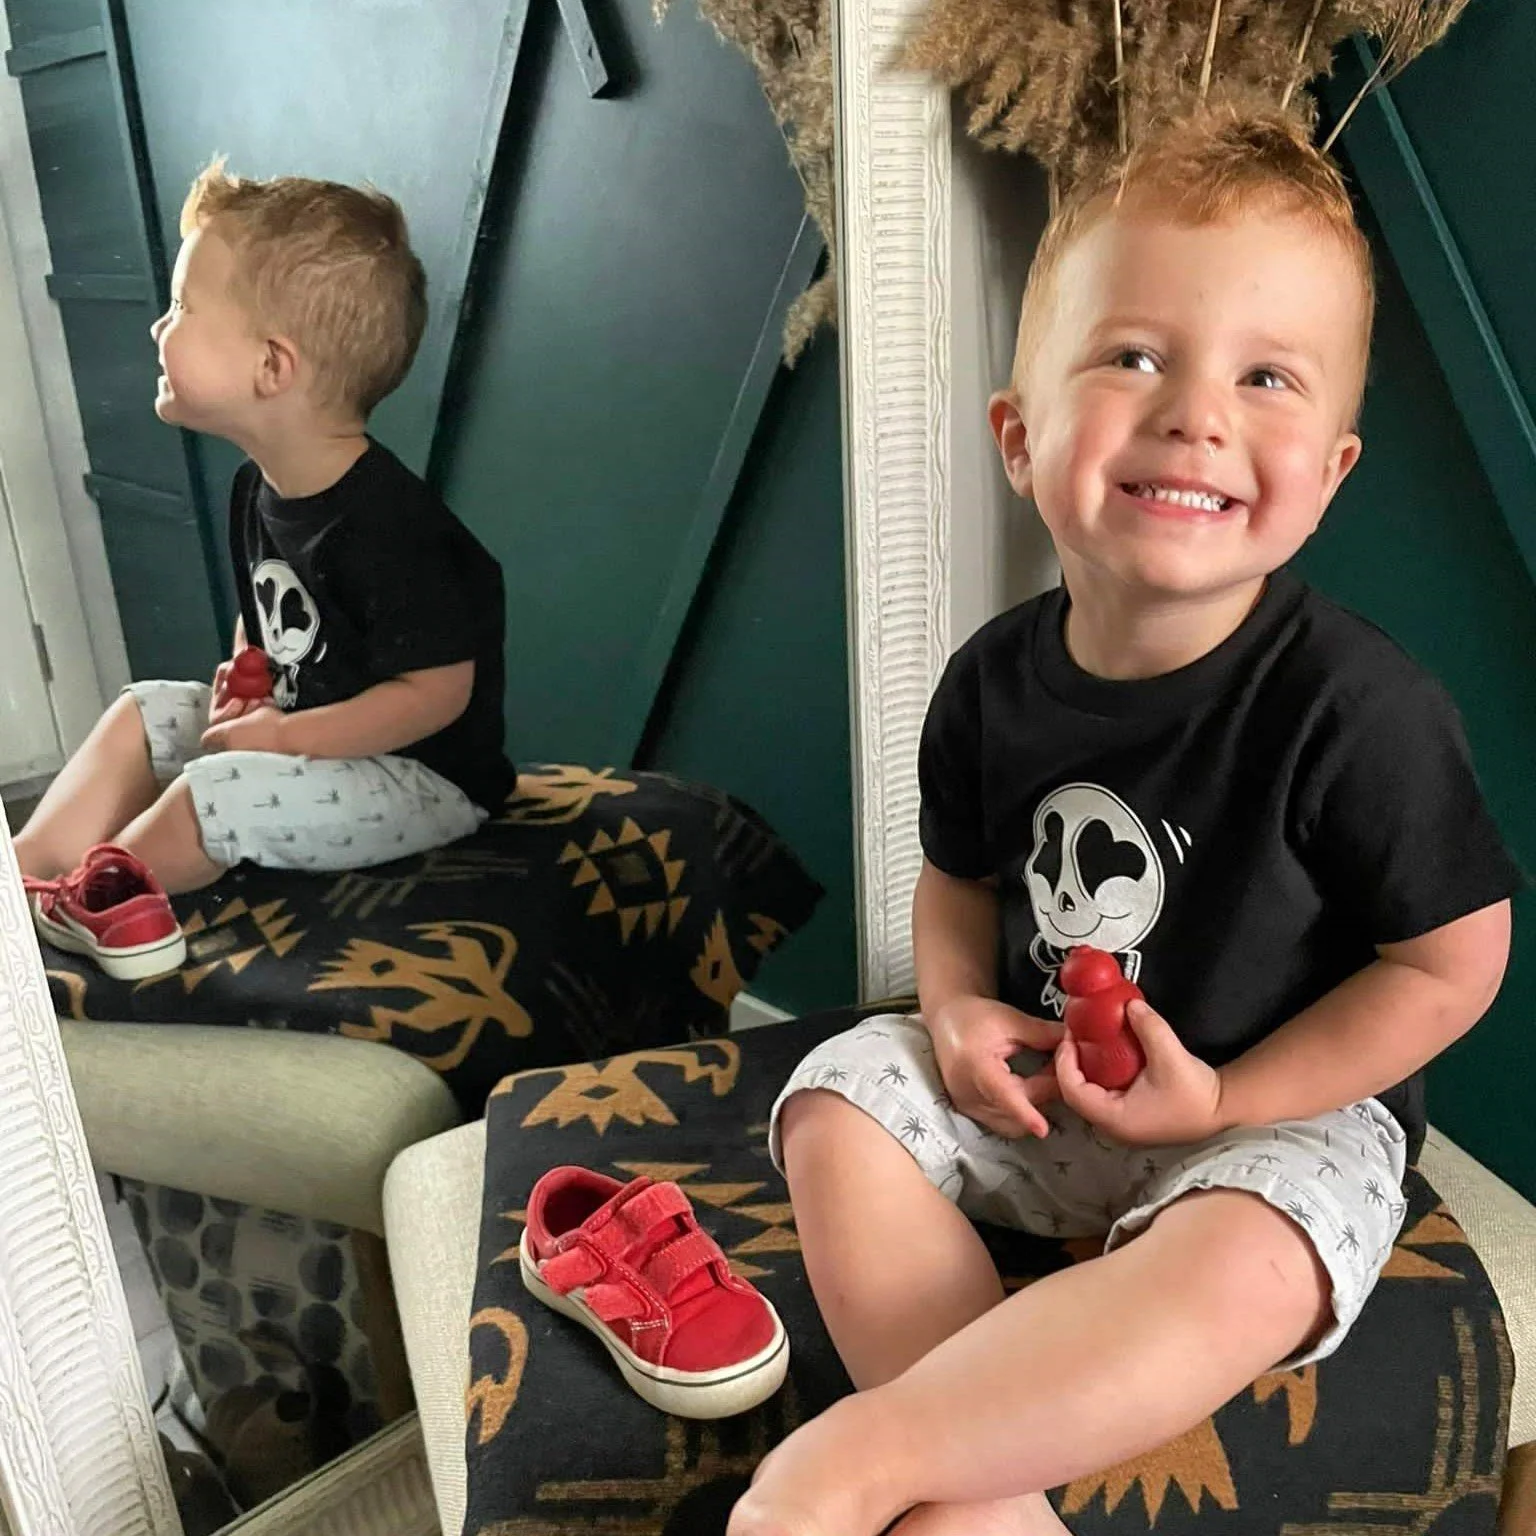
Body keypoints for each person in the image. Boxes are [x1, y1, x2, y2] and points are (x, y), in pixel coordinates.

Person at [729, 112, 1522, 1536]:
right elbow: (961, 882)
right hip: (1048, 1095)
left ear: (1330, 475)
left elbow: (1453, 961)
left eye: (1267, 376)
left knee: (1260, 1252)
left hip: (1266, 1117)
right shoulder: (987, 679)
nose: (1198, 413)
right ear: (1021, 437)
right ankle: (985, 1494)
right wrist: (963, 1011)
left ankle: (862, 1457)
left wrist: (1227, 1103)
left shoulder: (1360, 708)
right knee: (837, 1098)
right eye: (1137, 355)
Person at [18, 163, 512, 977]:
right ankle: (28, 872)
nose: (157, 329)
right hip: (312, 728)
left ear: (272, 368)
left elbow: (435, 694)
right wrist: (248, 672)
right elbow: (272, 604)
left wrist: (285, 739)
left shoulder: (394, 527)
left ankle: (95, 900)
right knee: (147, 710)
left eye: (182, 308)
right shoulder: (260, 484)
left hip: (421, 777)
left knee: (221, 793)